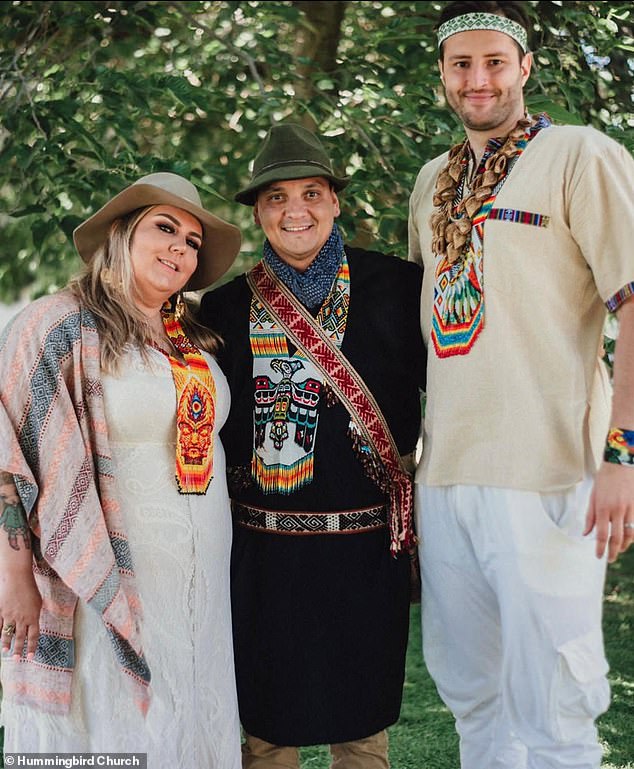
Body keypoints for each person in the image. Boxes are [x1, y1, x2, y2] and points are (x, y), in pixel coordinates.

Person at [408, 2, 634, 768]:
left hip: (546, 470)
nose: (479, 80)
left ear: (525, 67)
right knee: (475, 699)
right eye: (462, 64)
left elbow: (632, 303)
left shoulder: (579, 155)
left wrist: (623, 453)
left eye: (494, 62)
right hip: (444, 476)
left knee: (555, 705)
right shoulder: (432, 182)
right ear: (441, 74)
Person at [199, 123, 426, 769]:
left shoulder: (399, 287)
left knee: (362, 725)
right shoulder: (220, 308)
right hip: (262, 551)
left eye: (310, 192)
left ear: (334, 200)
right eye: (276, 198)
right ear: (258, 211)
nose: (294, 210)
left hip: (365, 547)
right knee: (268, 725)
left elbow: (457, 394)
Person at [0, 172, 244, 767]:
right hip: (101, 576)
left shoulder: (191, 338)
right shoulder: (55, 325)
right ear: (119, 236)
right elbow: (7, 455)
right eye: (165, 229)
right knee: (113, 722)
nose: (181, 249)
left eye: (192, 242)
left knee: (188, 710)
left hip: (199, 580)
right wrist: (12, 576)